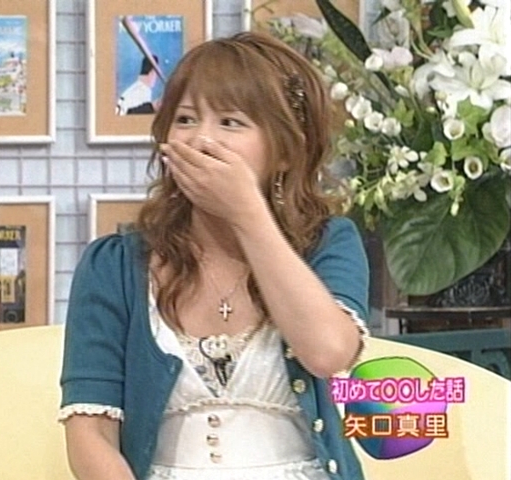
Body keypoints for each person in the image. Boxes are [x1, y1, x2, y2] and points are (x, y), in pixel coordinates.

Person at [60, 31, 370, 480]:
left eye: (230, 122)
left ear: (285, 151)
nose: (201, 139)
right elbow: (90, 434)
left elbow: (328, 353)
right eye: (185, 119)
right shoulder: (114, 265)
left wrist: (248, 215)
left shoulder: (329, 243)